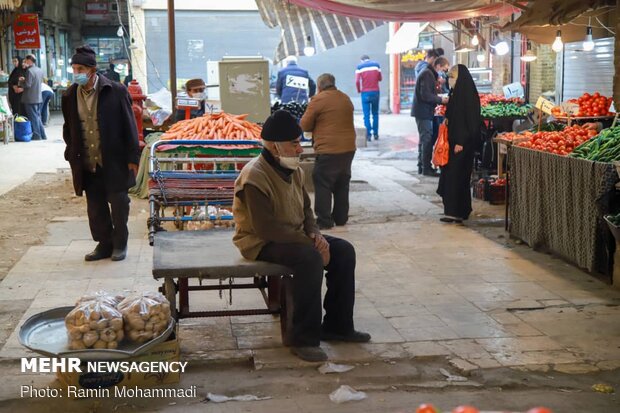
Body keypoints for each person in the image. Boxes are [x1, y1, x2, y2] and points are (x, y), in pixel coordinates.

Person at [232, 110, 370, 362]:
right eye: (294, 143)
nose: (299, 148)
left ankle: (337, 326)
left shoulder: (294, 169)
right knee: (309, 258)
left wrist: (316, 235)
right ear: (275, 146)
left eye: (299, 142)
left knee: (344, 251)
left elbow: (307, 210)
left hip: (295, 235)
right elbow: (266, 229)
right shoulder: (254, 176)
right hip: (260, 242)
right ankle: (303, 338)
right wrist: (312, 244)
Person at [61, 45, 140, 261]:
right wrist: (71, 152)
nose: (76, 72)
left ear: (92, 71)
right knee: (95, 208)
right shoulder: (69, 95)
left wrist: (133, 157)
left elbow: (129, 125)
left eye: (80, 69)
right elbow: (68, 129)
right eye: (74, 68)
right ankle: (104, 244)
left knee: (119, 205)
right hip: (86, 161)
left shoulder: (115, 91)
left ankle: (120, 245)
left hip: (113, 161)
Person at [300, 73, 356, 230]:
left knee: (322, 181)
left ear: (319, 87)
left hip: (328, 149)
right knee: (342, 183)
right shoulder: (345, 98)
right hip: (348, 149)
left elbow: (304, 125)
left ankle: (324, 220)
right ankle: (340, 218)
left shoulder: (318, 100)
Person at [437, 65, 481, 224]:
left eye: (452, 77)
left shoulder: (467, 96)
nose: (449, 80)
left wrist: (461, 142)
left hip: (461, 144)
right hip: (454, 142)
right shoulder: (456, 93)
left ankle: (455, 212)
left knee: (456, 177)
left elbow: (470, 121)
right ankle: (458, 210)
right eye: (449, 77)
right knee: (454, 177)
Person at [412, 57, 450, 176]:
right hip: (423, 112)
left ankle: (422, 166)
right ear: (438, 66)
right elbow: (426, 95)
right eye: (443, 69)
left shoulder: (429, 73)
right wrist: (441, 99)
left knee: (424, 139)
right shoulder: (427, 74)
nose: (444, 72)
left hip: (424, 111)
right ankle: (426, 169)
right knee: (426, 139)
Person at [19, 55, 46, 140]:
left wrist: (21, 82)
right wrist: (25, 80)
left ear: (30, 60)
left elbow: (28, 85)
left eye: (26, 60)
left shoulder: (29, 71)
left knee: (33, 117)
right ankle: (43, 135)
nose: (25, 62)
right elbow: (35, 82)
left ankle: (37, 135)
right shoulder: (39, 70)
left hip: (30, 98)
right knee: (38, 117)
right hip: (38, 97)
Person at [355, 55, 382, 141]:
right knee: (375, 114)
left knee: (366, 115)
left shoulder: (359, 67)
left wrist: (359, 90)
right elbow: (380, 78)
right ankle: (376, 134)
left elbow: (357, 81)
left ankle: (368, 135)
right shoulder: (376, 65)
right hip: (375, 92)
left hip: (365, 93)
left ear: (362, 60)